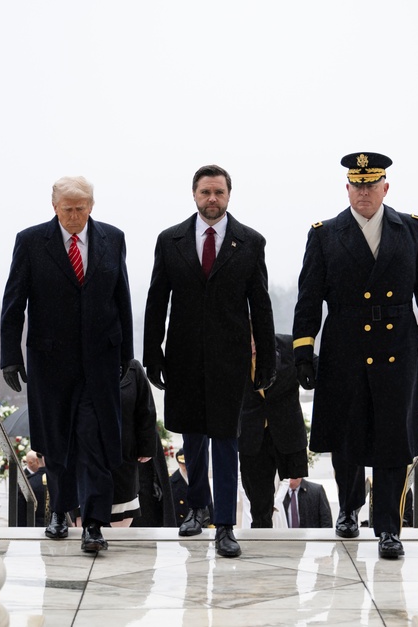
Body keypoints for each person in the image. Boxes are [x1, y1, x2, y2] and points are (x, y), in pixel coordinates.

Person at [292, 152, 418, 560]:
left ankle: (389, 529)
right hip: (345, 348)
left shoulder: (410, 229)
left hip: (396, 347)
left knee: (394, 442)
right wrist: (303, 351)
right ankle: (348, 507)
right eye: (356, 185)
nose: (363, 192)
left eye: (371, 184)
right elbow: (309, 299)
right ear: (347, 189)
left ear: (385, 187)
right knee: (348, 438)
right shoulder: (325, 234)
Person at [143, 164, 276, 558]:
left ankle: (225, 526)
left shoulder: (250, 242)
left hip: (229, 359)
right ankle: (197, 508)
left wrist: (266, 359)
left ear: (229, 195)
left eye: (218, 192)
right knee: (193, 435)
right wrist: (153, 353)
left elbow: (261, 306)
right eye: (205, 192)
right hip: (183, 357)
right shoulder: (171, 240)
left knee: (225, 437)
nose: (212, 199)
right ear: (194, 195)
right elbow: (156, 300)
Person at [0, 175, 133, 553]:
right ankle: (59, 511)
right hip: (50, 361)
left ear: (91, 205)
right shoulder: (30, 242)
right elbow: (14, 301)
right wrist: (10, 356)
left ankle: (93, 522)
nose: (74, 216)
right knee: (56, 442)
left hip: (100, 362)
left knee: (96, 441)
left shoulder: (113, 238)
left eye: (81, 208)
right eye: (67, 209)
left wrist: (127, 353)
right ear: (54, 207)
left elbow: (121, 297)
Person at [239, 333, 311, 528]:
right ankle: (261, 542)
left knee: (296, 489)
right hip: (252, 436)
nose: (252, 349)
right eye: (248, 344)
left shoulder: (288, 346)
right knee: (258, 501)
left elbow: (316, 367)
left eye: (255, 343)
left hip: (286, 432)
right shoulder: (232, 352)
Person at [111, 359, 157, 527]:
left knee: (122, 512)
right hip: (91, 454)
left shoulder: (133, 368)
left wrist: (146, 447)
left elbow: (146, 410)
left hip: (125, 454)